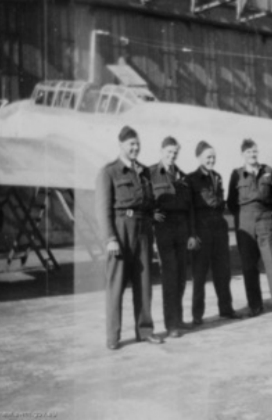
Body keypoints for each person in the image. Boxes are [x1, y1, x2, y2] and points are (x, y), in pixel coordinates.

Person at [95, 125, 163, 350]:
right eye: (131, 144)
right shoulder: (109, 172)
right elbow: (102, 209)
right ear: (121, 145)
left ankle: (145, 331)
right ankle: (113, 337)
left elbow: (149, 200)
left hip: (143, 230)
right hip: (121, 230)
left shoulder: (144, 172)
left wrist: (153, 214)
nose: (135, 148)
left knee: (144, 284)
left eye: (137, 144)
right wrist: (110, 239)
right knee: (116, 287)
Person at [227, 138, 272, 319]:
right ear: (243, 154)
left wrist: (265, 212)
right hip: (245, 221)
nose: (252, 155)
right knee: (248, 265)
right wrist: (243, 217)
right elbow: (231, 201)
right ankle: (255, 305)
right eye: (249, 152)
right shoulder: (236, 174)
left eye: (255, 151)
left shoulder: (268, 172)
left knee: (271, 262)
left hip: (264, 218)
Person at [187, 141, 241, 325]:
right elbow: (191, 210)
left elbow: (220, 202)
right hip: (202, 230)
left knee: (223, 272)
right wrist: (193, 234)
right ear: (199, 158)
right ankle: (197, 315)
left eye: (213, 157)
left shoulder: (217, 176)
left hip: (219, 229)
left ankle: (226, 309)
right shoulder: (191, 179)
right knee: (199, 275)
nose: (211, 160)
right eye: (208, 157)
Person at [149, 137, 197, 339]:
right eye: (168, 152)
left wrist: (192, 233)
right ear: (161, 151)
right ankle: (170, 324)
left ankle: (178, 319)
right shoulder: (150, 173)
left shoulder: (183, 177)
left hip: (182, 229)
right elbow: (142, 199)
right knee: (169, 277)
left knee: (181, 277)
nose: (172, 156)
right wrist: (151, 216)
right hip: (164, 229)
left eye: (175, 153)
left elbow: (191, 209)